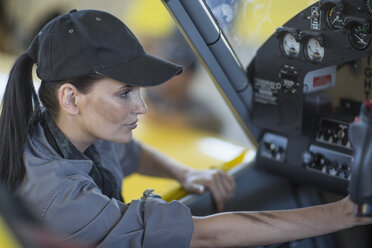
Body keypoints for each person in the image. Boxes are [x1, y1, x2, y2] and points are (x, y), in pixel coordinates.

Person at [0, 9, 370, 248]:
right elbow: (207, 236)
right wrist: (345, 213)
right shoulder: (62, 201)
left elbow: (129, 152)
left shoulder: (66, 130)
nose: (142, 107)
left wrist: (185, 172)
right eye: (125, 93)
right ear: (70, 98)